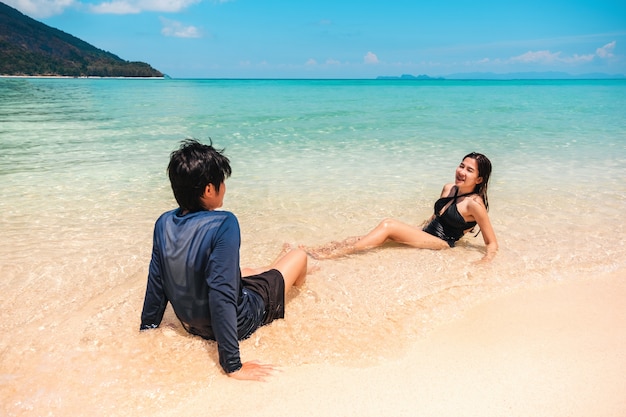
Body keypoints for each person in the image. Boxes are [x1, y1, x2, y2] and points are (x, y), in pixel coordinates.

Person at [140, 139, 309, 381]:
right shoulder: (224, 223)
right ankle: (296, 285)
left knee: (244, 270)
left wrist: (148, 330)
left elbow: (157, 281)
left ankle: (272, 270)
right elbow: (222, 292)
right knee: (299, 256)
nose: (224, 188)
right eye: (222, 182)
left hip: (190, 323)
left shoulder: (164, 222)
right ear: (209, 190)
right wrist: (232, 365)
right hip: (241, 320)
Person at [303, 152, 498, 263]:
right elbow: (434, 218)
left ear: (479, 179)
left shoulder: (474, 204)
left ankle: (335, 255)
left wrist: (485, 263)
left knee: (388, 225)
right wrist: (413, 230)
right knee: (369, 237)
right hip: (426, 234)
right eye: (461, 165)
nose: (461, 171)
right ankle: (318, 249)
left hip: (443, 244)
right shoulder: (449, 188)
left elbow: (491, 242)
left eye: (469, 170)